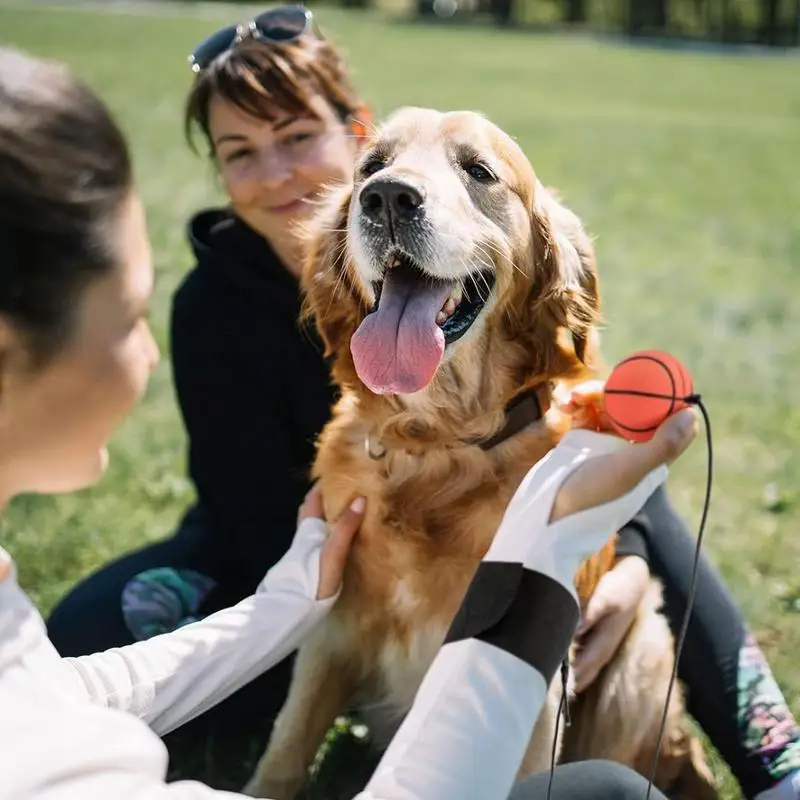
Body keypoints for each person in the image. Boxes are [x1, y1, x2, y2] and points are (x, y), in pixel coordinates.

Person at [43, 8, 800, 799]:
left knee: (636, 511)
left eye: (299, 137)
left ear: (350, 133)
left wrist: (620, 564)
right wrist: (360, 543)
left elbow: (592, 440)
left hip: (432, 562)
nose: (277, 174)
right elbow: (248, 511)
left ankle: (777, 761)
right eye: (241, 154)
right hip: (274, 557)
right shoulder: (213, 304)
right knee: (85, 632)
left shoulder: (515, 319)